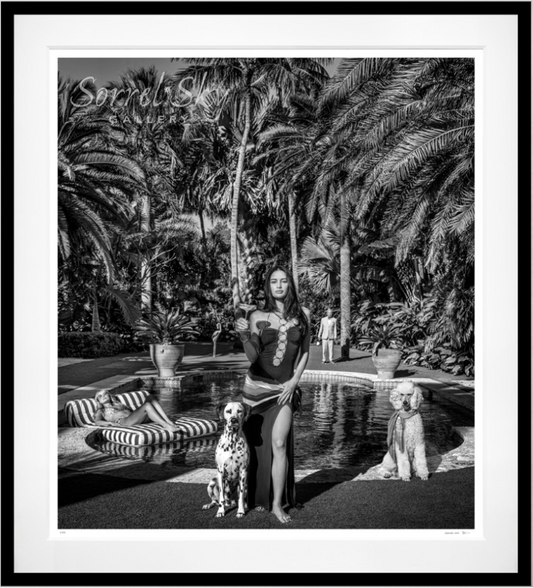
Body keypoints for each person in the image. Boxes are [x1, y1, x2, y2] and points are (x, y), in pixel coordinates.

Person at [235, 266, 311, 524]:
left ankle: (277, 504)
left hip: (284, 389)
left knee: (279, 443)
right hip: (255, 389)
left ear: (290, 284)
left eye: (283, 281)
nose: (279, 285)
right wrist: (244, 335)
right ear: (268, 286)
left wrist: (294, 381)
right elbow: (252, 356)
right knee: (253, 445)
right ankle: (254, 496)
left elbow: (305, 352)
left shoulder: (304, 315)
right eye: (274, 281)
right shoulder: (257, 315)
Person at [93, 390, 180, 433]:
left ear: (109, 396)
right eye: (100, 396)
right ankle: (166, 426)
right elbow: (97, 421)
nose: (103, 396)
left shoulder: (118, 404)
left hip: (134, 418)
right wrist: (110, 423)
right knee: (147, 405)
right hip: (124, 422)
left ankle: (168, 421)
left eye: (105, 394)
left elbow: (131, 412)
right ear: (98, 401)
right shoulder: (101, 411)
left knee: (150, 397)